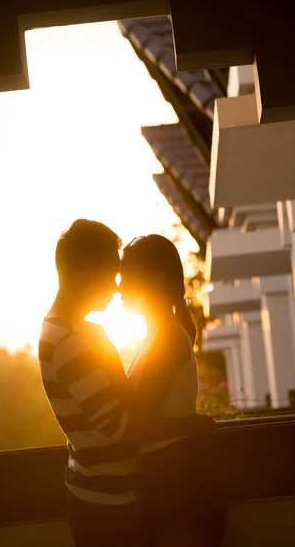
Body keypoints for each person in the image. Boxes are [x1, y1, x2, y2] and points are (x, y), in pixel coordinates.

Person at [38, 220, 196, 547]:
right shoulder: (71, 342)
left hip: (104, 498)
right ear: (85, 270)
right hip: (106, 508)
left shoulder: (73, 334)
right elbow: (123, 431)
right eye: (112, 273)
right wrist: (188, 426)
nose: (115, 287)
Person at [120, 234, 227, 547]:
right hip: (171, 483)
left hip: (180, 488)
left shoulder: (166, 337)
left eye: (127, 277)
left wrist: (188, 425)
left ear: (154, 280)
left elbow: (135, 425)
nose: (119, 287)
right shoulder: (157, 335)